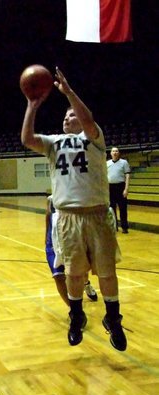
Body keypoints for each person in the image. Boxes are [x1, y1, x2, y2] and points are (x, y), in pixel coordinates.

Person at [21, 67, 126, 351]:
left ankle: (113, 318)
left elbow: (88, 119)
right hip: (68, 217)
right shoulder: (54, 143)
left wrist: (68, 92)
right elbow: (27, 139)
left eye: (72, 115)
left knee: (106, 272)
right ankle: (76, 315)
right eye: (66, 115)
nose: (69, 117)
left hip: (97, 214)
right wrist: (31, 107)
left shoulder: (94, 137)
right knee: (74, 273)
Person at [45, 195, 98, 306]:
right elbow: (48, 215)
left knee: (78, 272)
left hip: (72, 240)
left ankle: (86, 283)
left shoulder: (76, 198)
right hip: (53, 244)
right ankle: (73, 310)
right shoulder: (51, 200)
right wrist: (46, 235)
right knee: (58, 276)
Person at [107, 147, 131, 233]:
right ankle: (114, 226)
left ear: (119, 153)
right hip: (110, 187)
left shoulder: (124, 162)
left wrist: (126, 189)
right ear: (110, 153)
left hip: (120, 187)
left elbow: (127, 176)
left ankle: (124, 227)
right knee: (111, 209)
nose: (115, 152)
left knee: (123, 208)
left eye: (116, 151)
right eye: (113, 151)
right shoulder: (107, 163)